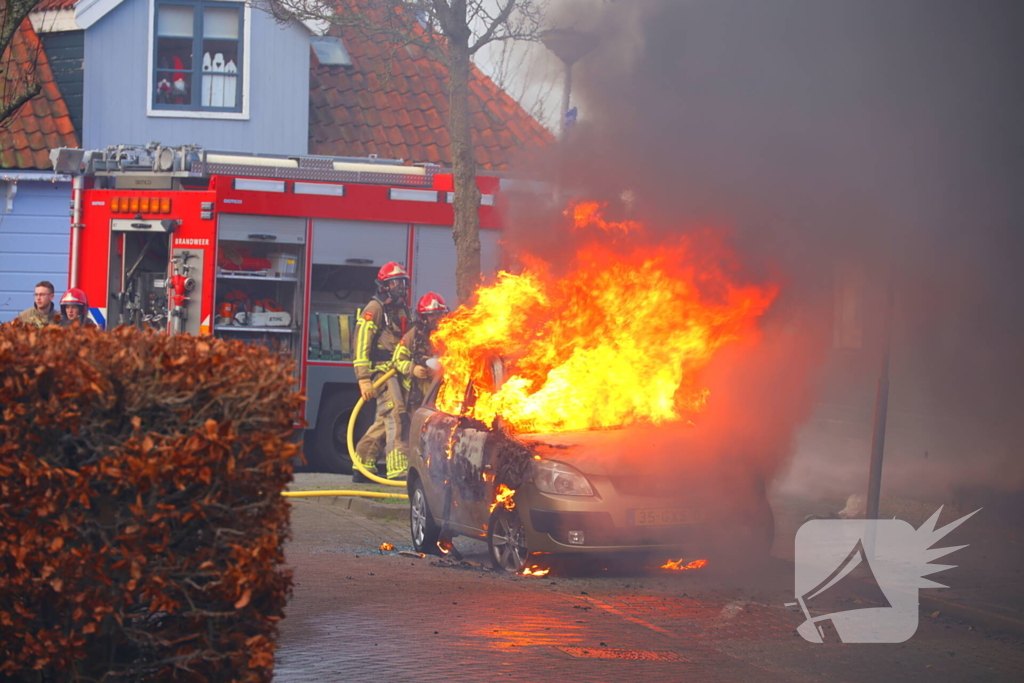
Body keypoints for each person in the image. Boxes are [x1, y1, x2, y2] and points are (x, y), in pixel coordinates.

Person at [352, 262, 411, 482]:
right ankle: (397, 469)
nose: (399, 287)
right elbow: (361, 343)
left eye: (402, 282)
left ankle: (362, 464)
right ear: (384, 285)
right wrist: (363, 378)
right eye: (395, 283)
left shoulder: (400, 309)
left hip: (397, 372)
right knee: (397, 414)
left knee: (383, 419)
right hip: (381, 372)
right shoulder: (374, 308)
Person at [388, 292, 449, 479]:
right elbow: (397, 360)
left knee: (438, 434)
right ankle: (403, 472)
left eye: (439, 314)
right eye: (431, 315)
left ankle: (434, 472)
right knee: (410, 432)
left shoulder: (450, 334)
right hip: (415, 396)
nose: (435, 319)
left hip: (440, 395)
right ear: (423, 316)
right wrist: (413, 369)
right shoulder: (412, 336)